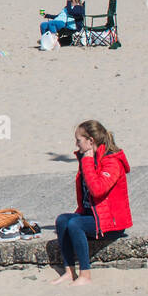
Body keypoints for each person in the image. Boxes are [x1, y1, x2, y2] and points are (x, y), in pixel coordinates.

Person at [52, 122, 132, 286]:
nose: (76, 144)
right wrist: (87, 160)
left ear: (90, 141)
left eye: (78, 140)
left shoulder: (112, 161)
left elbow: (97, 190)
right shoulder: (89, 159)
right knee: (62, 220)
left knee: (75, 224)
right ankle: (69, 272)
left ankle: (85, 274)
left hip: (112, 222)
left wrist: (87, 161)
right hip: (92, 216)